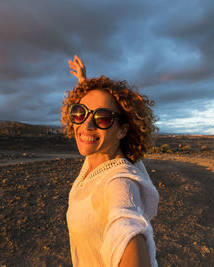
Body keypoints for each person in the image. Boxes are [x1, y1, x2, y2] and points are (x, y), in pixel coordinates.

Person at [62, 55, 159, 267]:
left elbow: (127, 223)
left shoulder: (119, 181)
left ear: (122, 130)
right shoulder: (97, 155)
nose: (86, 125)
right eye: (79, 113)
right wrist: (83, 81)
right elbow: (91, 112)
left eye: (102, 118)